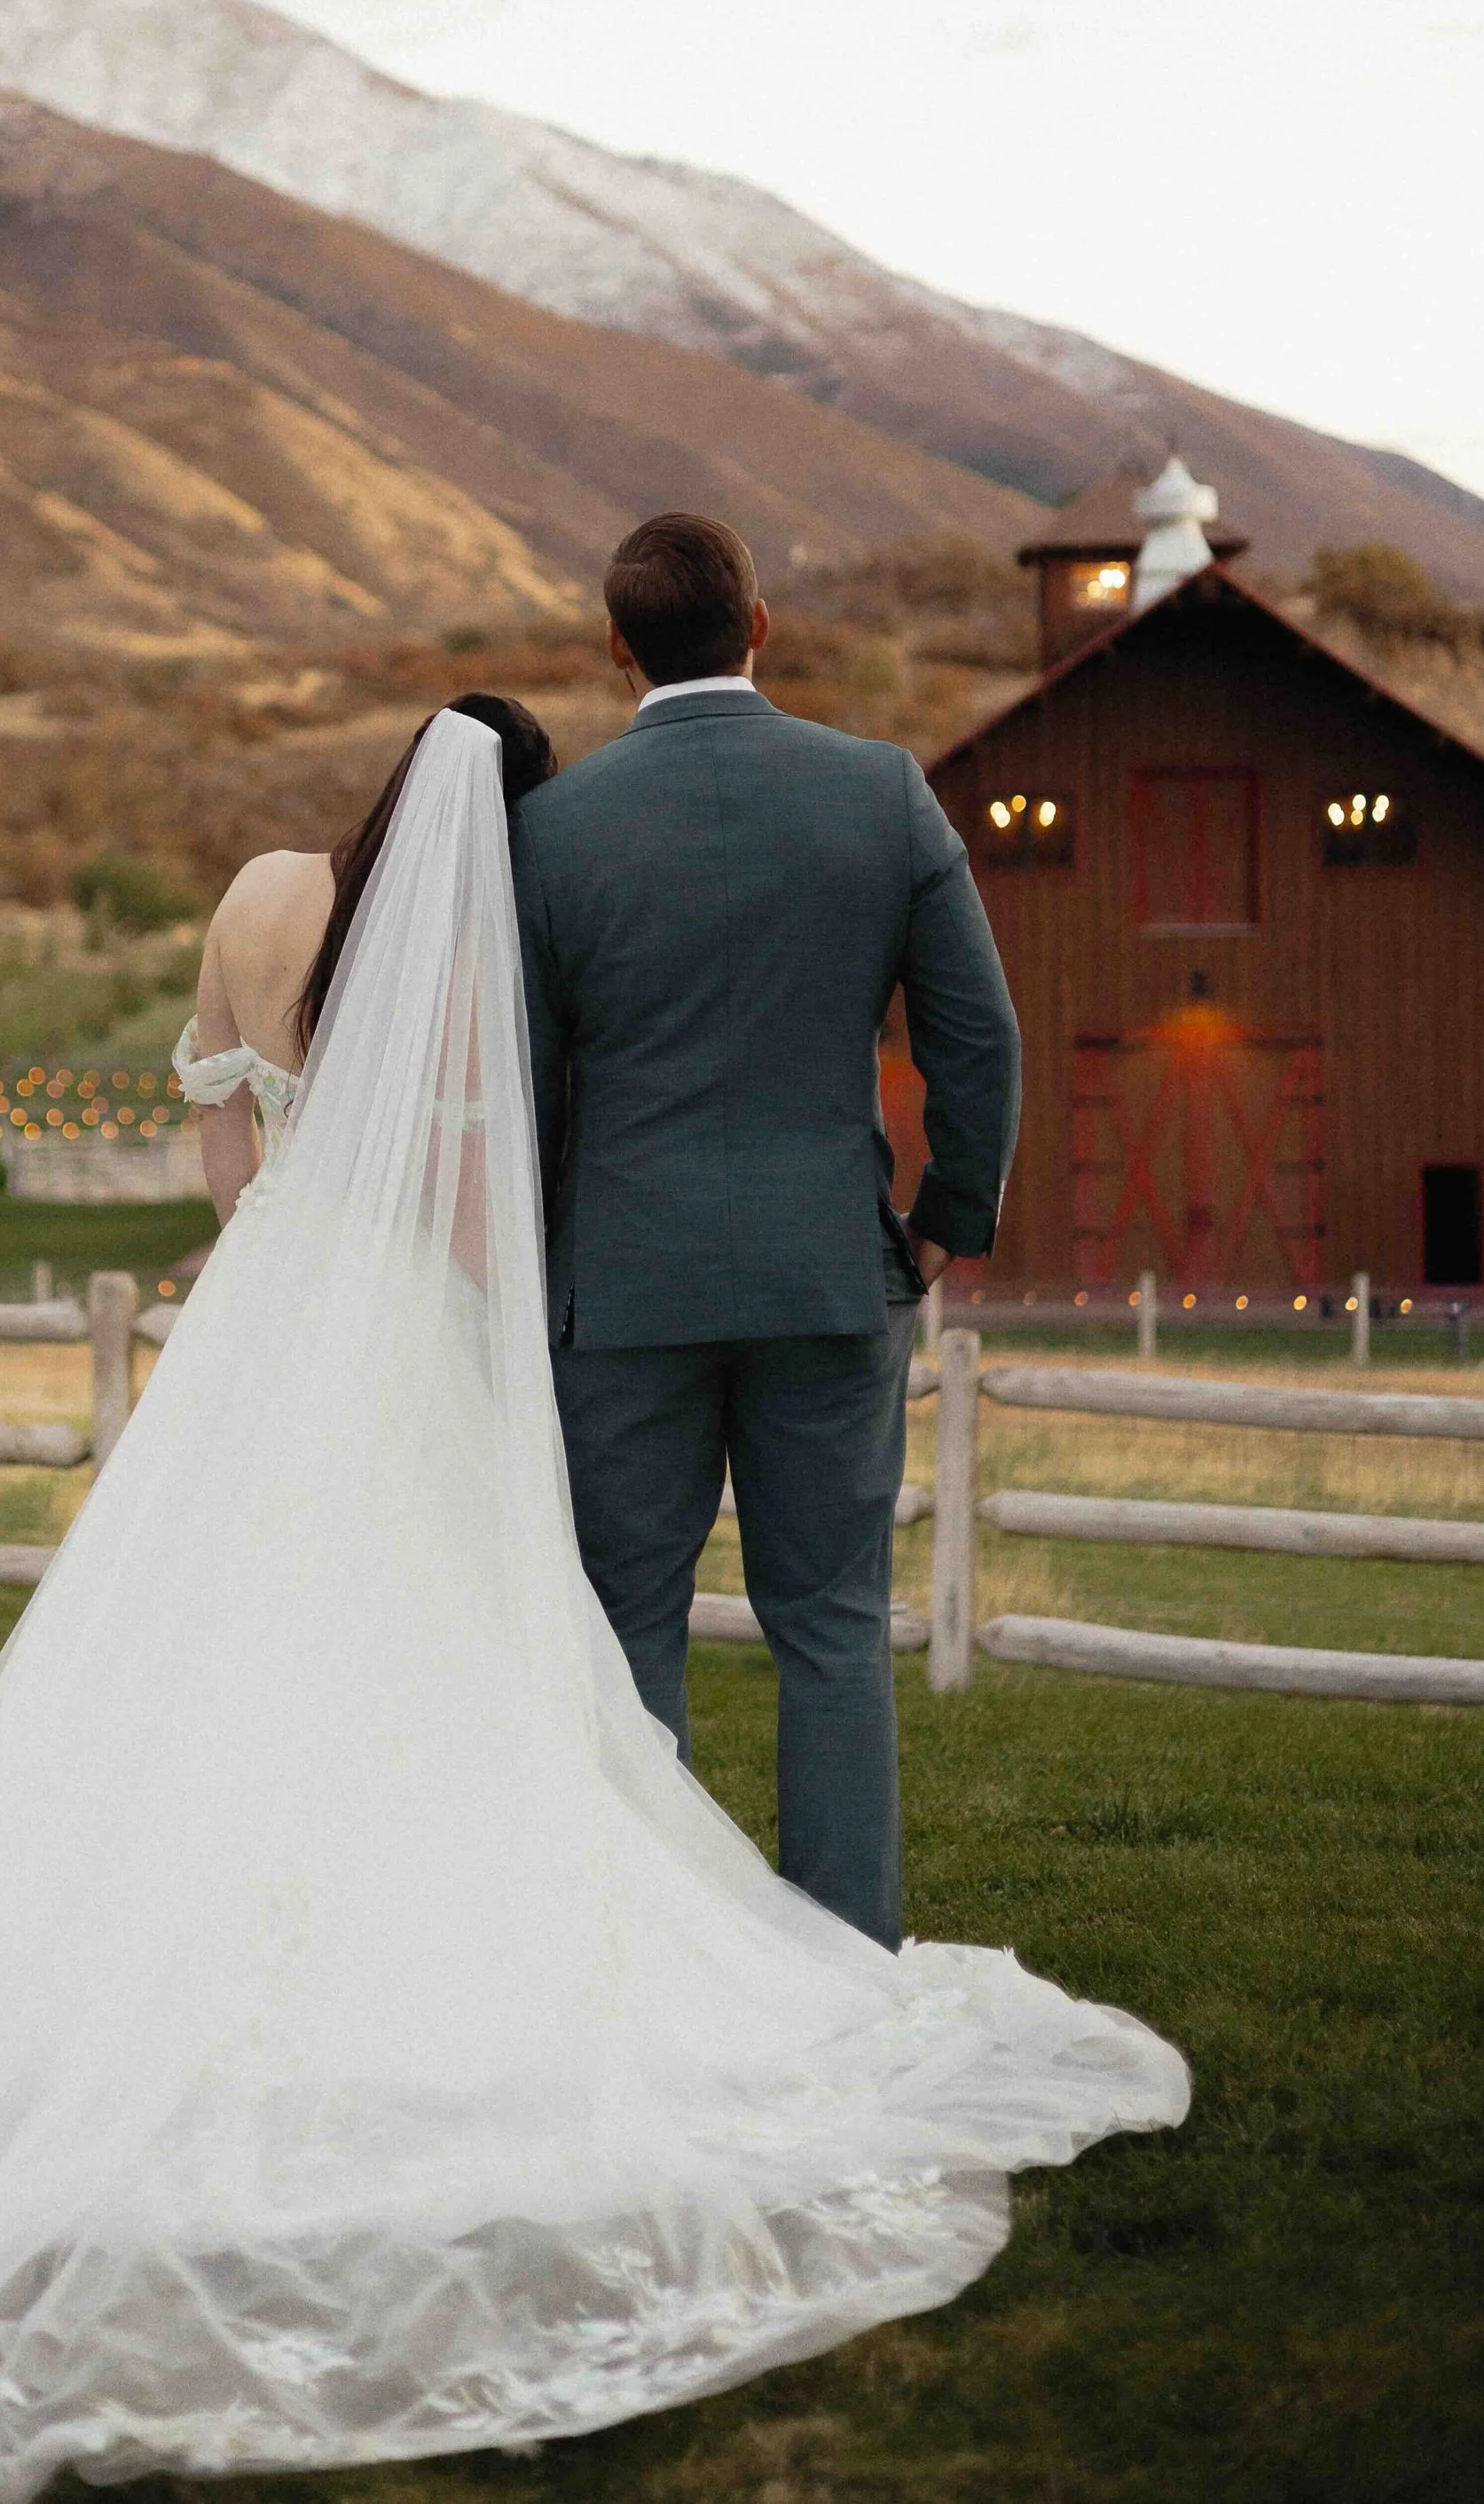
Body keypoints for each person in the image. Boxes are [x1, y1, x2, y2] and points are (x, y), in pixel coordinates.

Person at [0, 687, 1182, 2500]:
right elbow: (467, 1184)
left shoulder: (260, 895)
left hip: (262, 1306)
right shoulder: (451, 941)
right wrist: (470, 1314)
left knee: (201, 1641)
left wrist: (259, 1251)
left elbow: (214, 1106)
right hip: (405, 1314)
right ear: (499, 816)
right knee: (438, 1643)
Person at [511, 513, 1021, 1949]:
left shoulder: (551, 831)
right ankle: (849, 1958)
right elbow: (978, 1034)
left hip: (620, 1291)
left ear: (617, 646)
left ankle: (646, 1961)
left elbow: (532, 1081)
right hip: (829, 1273)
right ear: (762, 623)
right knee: (833, 1629)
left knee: (624, 1634)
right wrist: (942, 1221)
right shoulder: (881, 793)